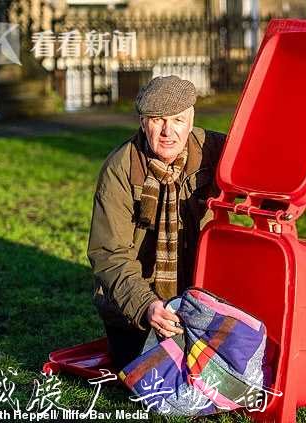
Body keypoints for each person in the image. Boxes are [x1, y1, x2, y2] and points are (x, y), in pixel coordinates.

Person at [87, 75, 226, 369]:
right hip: (138, 306)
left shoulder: (216, 151)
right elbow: (109, 253)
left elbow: (265, 173)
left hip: (204, 294)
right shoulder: (120, 168)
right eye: (157, 120)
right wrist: (146, 306)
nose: (168, 131)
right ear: (141, 121)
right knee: (152, 372)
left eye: (177, 120)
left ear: (191, 119)